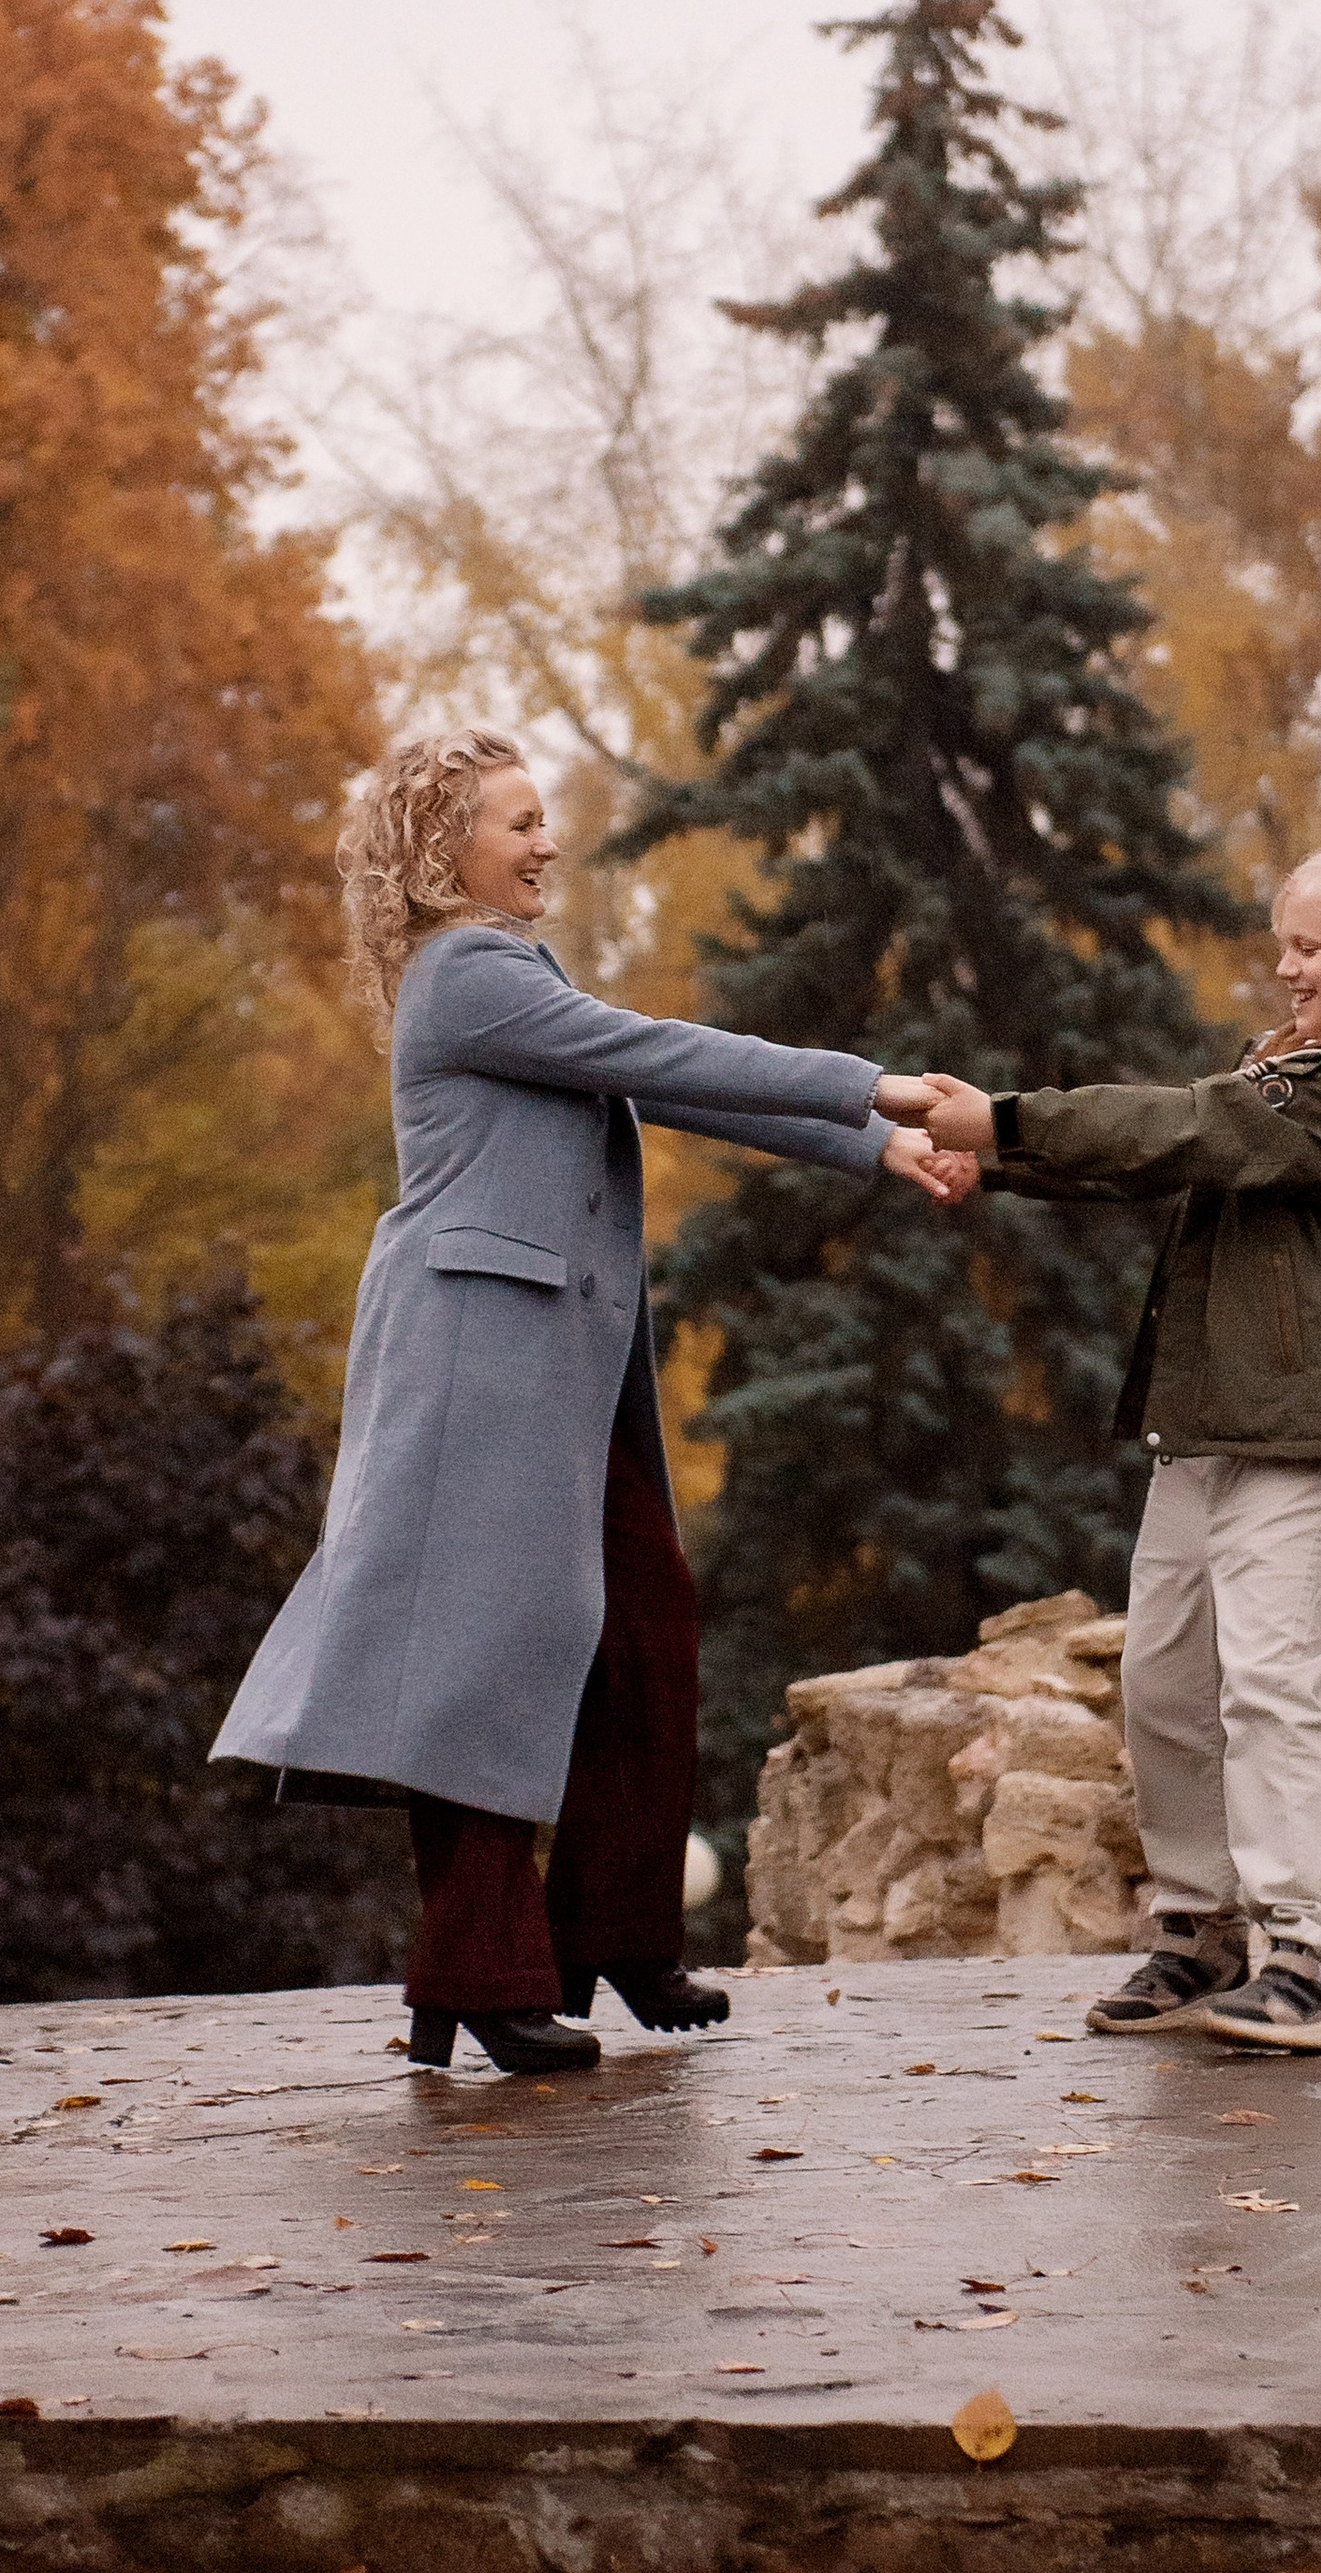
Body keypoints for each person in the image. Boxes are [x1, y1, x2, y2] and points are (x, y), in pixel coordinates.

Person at [212, 728, 967, 2075]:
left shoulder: (503, 971)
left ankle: (610, 1929)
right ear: (445, 850)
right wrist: (876, 1082)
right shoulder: (465, 974)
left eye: (542, 815)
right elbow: (664, 1050)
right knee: (475, 1660)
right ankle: (482, 1974)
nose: (546, 839)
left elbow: (643, 1073)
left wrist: (873, 1141)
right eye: (518, 820)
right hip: (471, 1357)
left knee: (640, 1614)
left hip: (553, 1358)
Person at [923, 836, 1321, 2054]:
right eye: (1282, 943)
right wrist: (995, 1158)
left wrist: (1009, 1116)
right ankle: (1205, 1929)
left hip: (1306, 1428)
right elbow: (1184, 1144)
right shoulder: (1294, 1071)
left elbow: (1190, 1130)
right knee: (1165, 1682)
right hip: (1209, 1424)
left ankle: (1318, 1953)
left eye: (1309, 944)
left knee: (1271, 1678)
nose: (1284, 968)